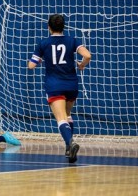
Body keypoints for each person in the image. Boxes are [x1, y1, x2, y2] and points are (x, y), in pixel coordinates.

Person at [28, 14, 91, 163]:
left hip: (54, 85)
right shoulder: (72, 40)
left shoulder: (43, 43)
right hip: (71, 84)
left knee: (60, 118)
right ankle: (69, 149)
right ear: (64, 27)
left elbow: (31, 65)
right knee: (67, 114)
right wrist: (81, 65)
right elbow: (88, 55)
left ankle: (71, 142)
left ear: (49, 27)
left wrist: (41, 58)